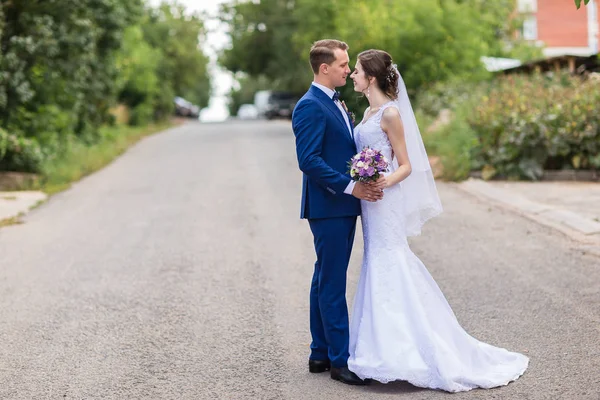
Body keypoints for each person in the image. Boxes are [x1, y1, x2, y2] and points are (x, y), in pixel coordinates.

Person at [346, 49, 529, 392]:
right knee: (376, 261)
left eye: (356, 71)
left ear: (370, 77)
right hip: (370, 204)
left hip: (386, 200)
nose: (353, 76)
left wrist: (382, 180)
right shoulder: (369, 110)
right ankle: (377, 349)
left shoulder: (390, 114)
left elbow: (406, 164)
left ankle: (407, 353)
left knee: (391, 260)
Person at [291, 39, 384, 386]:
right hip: (330, 205)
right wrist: (351, 186)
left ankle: (320, 352)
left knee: (323, 276)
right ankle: (340, 362)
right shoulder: (310, 105)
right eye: (343, 65)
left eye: (348, 65)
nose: (349, 69)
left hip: (340, 207)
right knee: (332, 282)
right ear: (324, 68)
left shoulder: (334, 101)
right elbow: (309, 160)